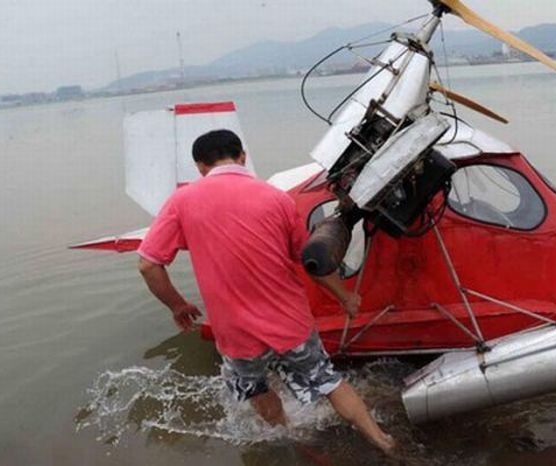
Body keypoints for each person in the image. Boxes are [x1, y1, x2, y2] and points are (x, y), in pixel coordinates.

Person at [137, 129, 395, 453]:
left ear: (200, 167)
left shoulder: (182, 201)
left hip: (236, 332)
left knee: (256, 388)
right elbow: (309, 261)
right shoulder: (276, 198)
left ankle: (294, 443)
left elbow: (148, 264)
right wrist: (345, 297)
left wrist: (177, 306)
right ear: (242, 156)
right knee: (328, 381)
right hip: (289, 323)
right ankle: (383, 441)